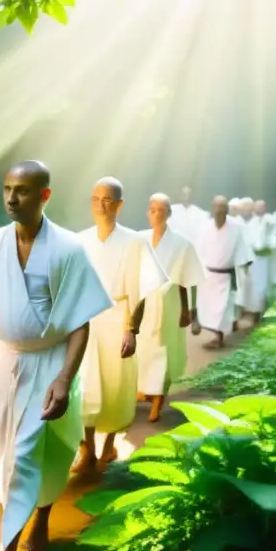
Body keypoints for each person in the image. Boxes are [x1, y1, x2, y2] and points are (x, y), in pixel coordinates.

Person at [0, 160, 112, 551]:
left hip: (49, 365)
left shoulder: (68, 249)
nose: (11, 198)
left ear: (45, 196)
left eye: (22, 190)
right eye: (6, 188)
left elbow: (81, 322)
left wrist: (63, 377)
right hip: (5, 363)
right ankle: (38, 518)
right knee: (10, 454)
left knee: (30, 455)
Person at [76, 177, 168, 472]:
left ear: (119, 204)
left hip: (118, 318)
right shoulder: (80, 240)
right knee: (85, 385)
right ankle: (87, 449)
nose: (101, 205)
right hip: (86, 320)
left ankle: (108, 445)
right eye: (96, 199)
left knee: (116, 386)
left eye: (107, 199)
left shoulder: (135, 241)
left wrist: (132, 329)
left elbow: (140, 290)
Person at [137, 194, 202, 422]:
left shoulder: (182, 243)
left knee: (164, 350)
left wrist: (188, 310)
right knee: (144, 349)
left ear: (169, 214)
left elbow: (186, 278)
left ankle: (158, 400)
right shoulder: (139, 240)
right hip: (144, 303)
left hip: (170, 302)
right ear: (148, 212)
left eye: (161, 209)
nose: (156, 214)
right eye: (152, 209)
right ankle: (146, 390)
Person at [193, 195, 253, 349]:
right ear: (212, 208)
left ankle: (219, 338)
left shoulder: (236, 227)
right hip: (208, 275)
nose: (220, 210)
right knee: (208, 308)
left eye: (223, 207)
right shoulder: (205, 227)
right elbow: (199, 249)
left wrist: (243, 269)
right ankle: (214, 332)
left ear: (227, 209)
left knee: (222, 309)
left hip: (226, 276)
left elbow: (242, 250)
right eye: (217, 207)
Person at [243, 200, 276, 323]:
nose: (260, 209)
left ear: (265, 208)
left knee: (266, 286)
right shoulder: (251, 223)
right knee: (255, 287)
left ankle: (266, 312)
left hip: (267, 259)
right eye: (258, 207)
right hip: (254, 259)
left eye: (262, 207)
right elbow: (248, 241)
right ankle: (256, 314)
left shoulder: (270, 220)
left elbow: (273, 238)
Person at [234, 197, 256, 322]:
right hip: (239, 259)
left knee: (254, 285)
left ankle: (253, 312)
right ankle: (237, 313)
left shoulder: (258, 220)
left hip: (256, 258)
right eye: (243, 207)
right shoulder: (235, 221)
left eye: (247, 206)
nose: (245, 209)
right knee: (239, 286)